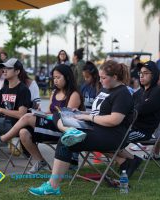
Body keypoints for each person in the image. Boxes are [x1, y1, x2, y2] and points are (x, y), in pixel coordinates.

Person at [28, 60, 133, 196]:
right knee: (59, 114)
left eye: (103, 78)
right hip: (96, 128)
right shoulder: (106, 89)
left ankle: (52, 186)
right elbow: (98, 113)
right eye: (100, 77)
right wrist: (81, 113)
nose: (100, 81)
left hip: (112, 135)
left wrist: (89, 118)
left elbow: (114, 120)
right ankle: (69, 132)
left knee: (66, 140)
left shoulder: (122, 93)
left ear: (115, 77)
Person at [0, 65, 84, 174]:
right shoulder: (54, 93)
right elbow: (50, 112)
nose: (55, 80)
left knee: (26, 116)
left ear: (67, 77)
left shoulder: (74, 95)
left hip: (63, 130)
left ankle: (1, 140)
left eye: (58, 77)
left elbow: (66, 118)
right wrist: (39, 113)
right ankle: (40, 162)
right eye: (54, 77)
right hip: (50, 127)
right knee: (23, 132)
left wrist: (37, 116)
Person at [116, 61, 160, 176]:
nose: (141, 75)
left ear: (153, 75)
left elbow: (139, 110)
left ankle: (133, 160)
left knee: (114, 139)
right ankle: (126, 162)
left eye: (145, 73)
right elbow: (129, 109)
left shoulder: (158, 92)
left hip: (143, 131)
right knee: (106, 136)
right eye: (140, 73)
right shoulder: (139, 92)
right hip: (130, 127)